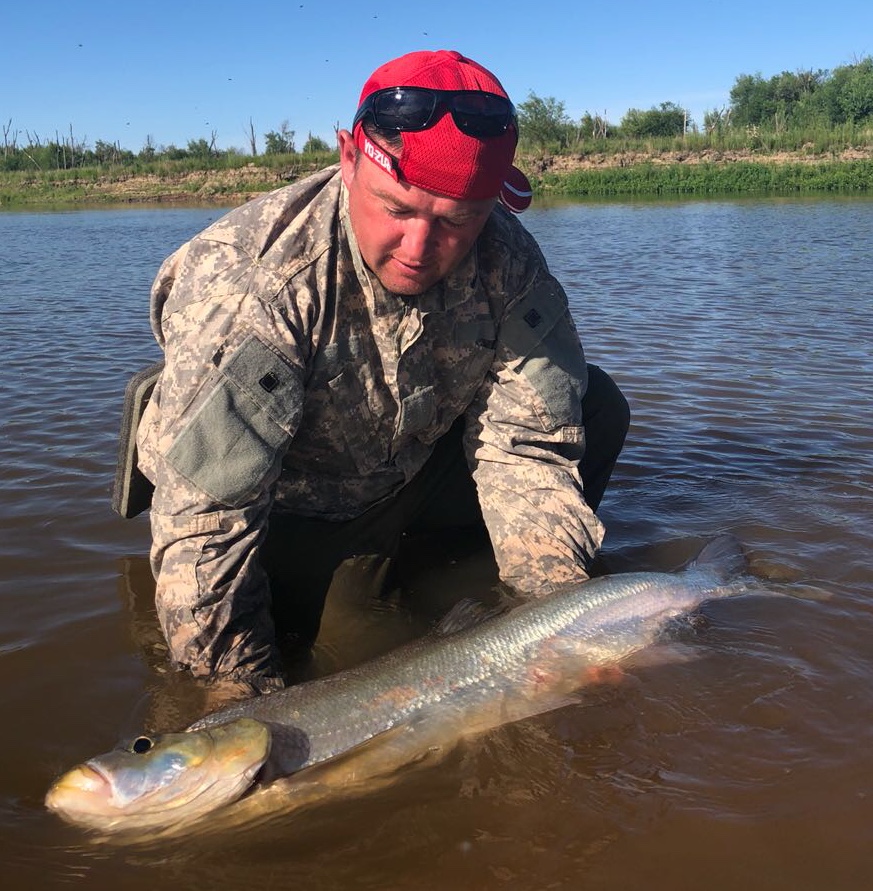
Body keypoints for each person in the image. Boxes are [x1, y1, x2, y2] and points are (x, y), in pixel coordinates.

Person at [129, 49, 630, 698]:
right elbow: (205, 517)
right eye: (395, 208)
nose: (419, 248)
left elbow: (528, 444)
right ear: (349, 158)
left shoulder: (507, 256)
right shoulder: (253, 284)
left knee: (595, 404)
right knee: (351, 642)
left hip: (404, 465)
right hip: (285, 503)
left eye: (456, 220)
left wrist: (556, 617)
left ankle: (465, 570)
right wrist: (231, 693)